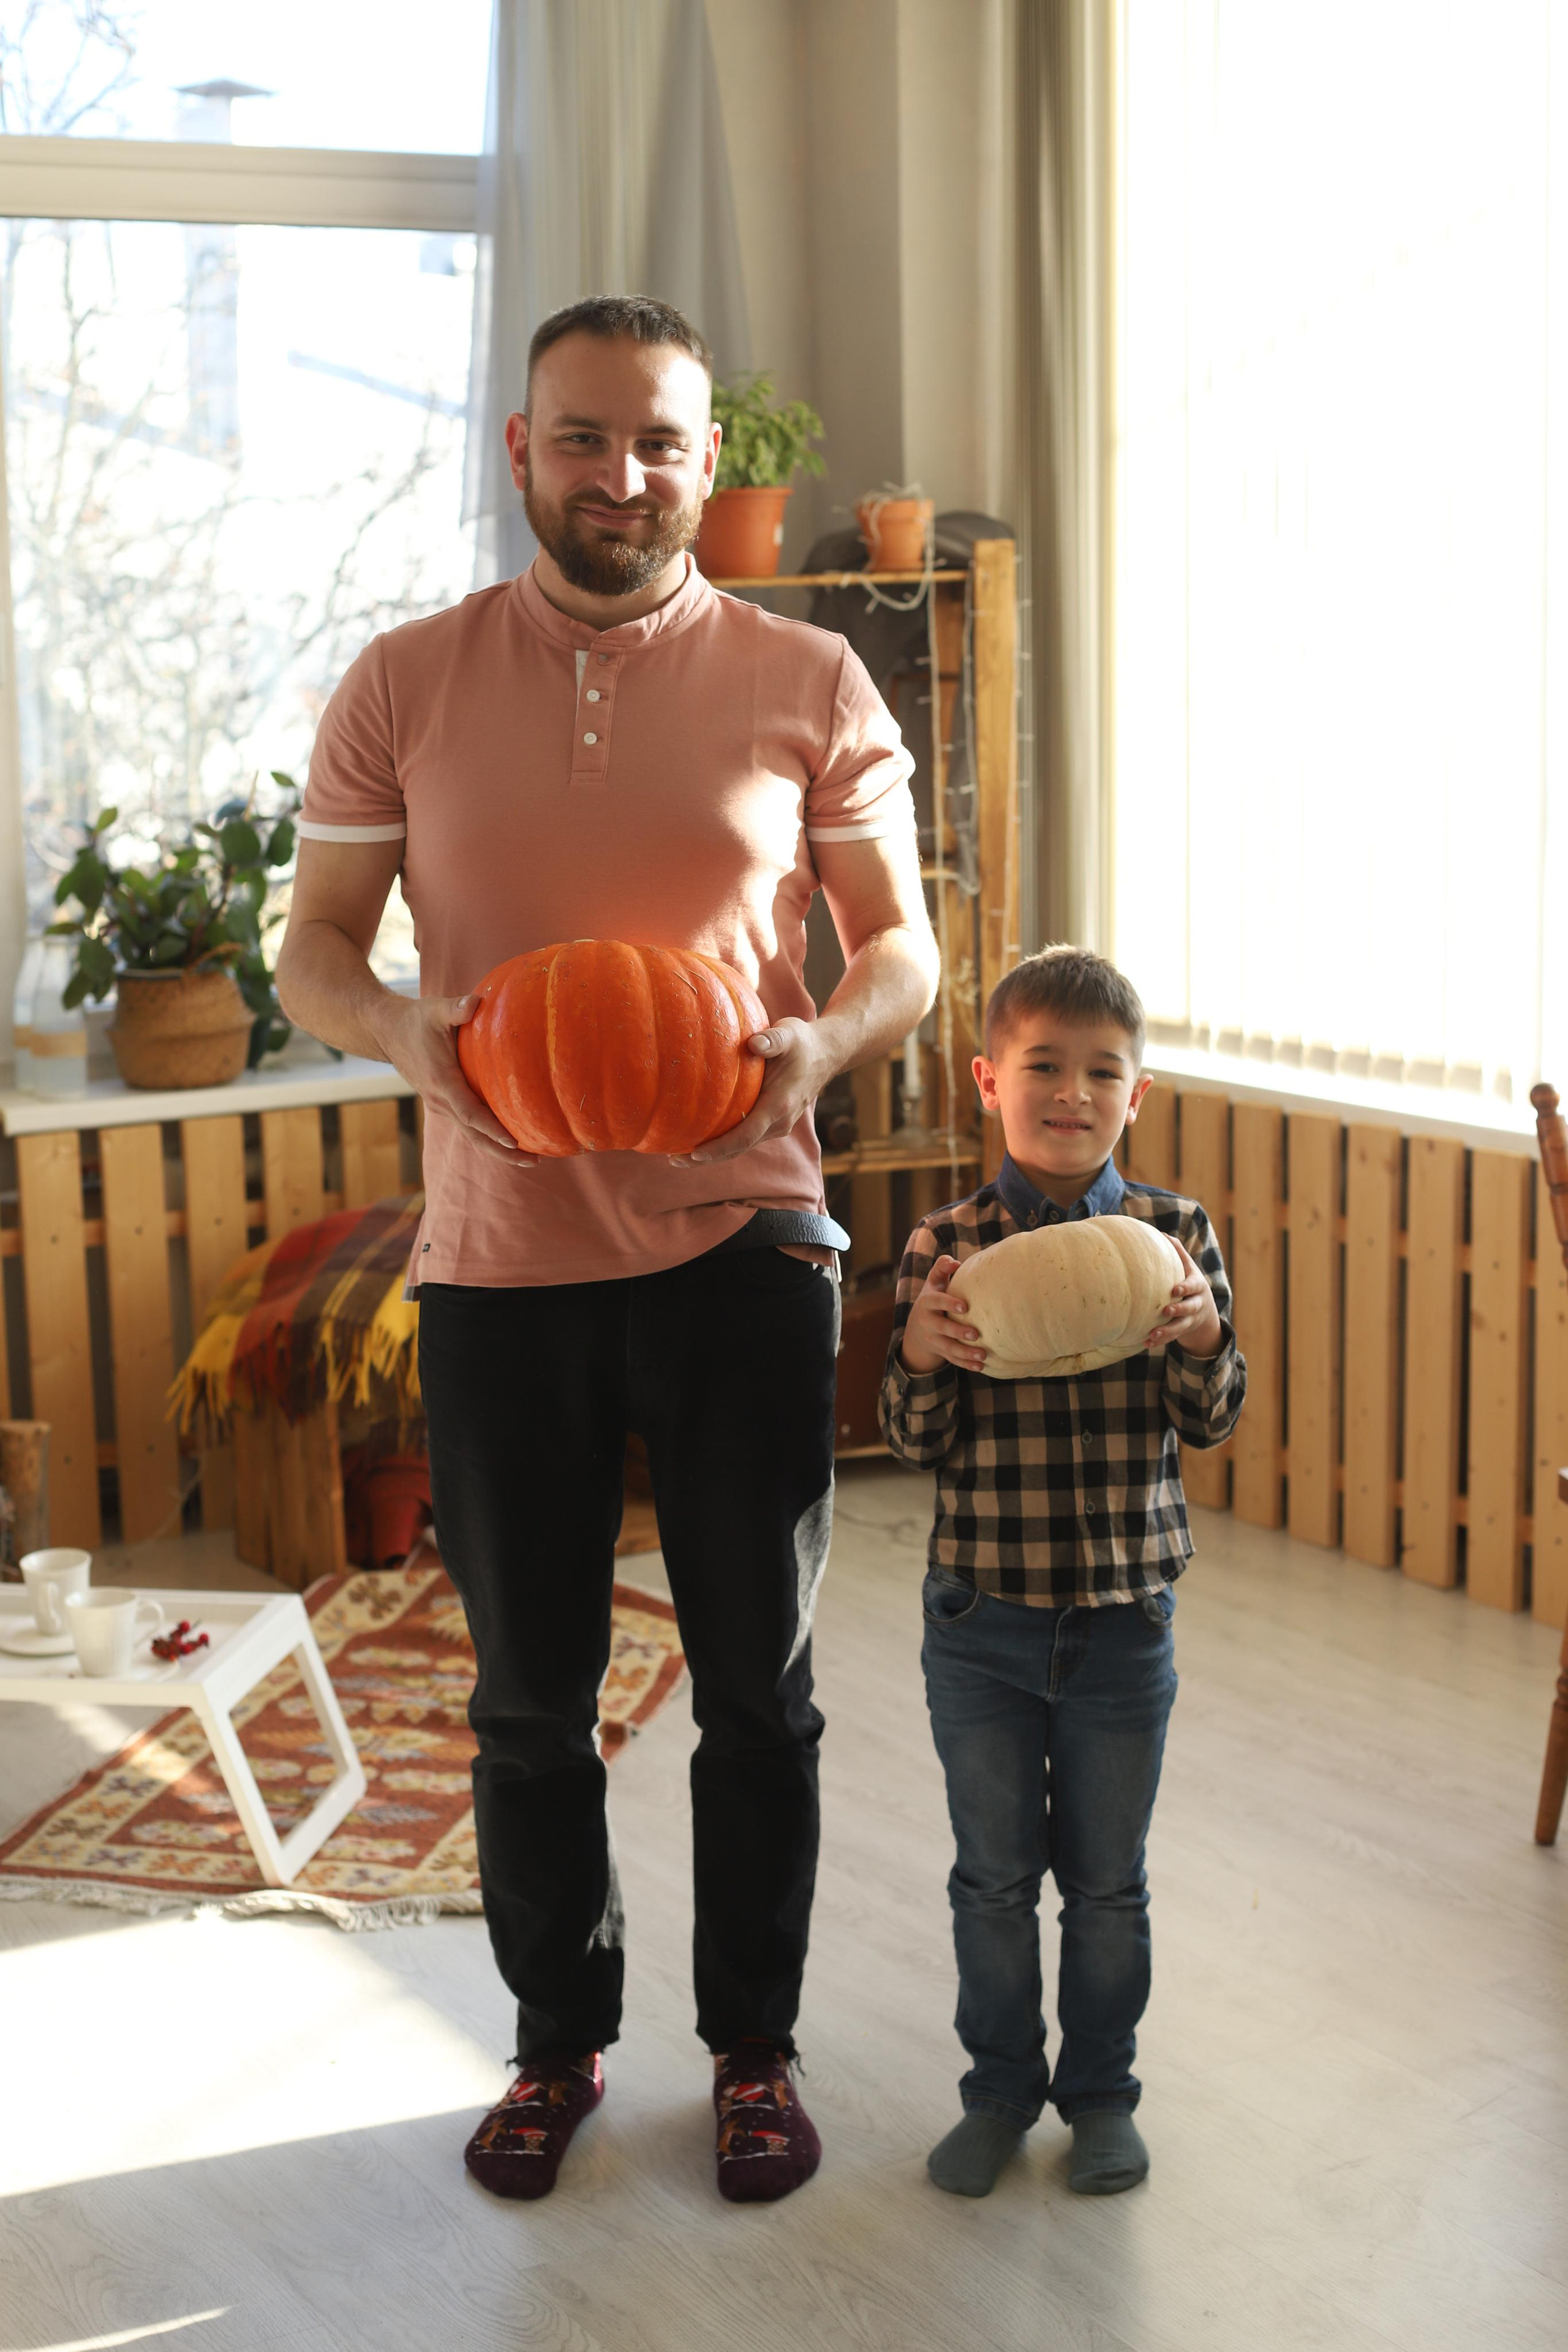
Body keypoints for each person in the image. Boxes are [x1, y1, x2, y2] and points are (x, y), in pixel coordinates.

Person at [276, 294, 938, 2205]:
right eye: (585, 438)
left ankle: (753, 2053)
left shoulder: (811, 675)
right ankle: (556, 2044)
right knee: (526, 1698)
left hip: (746, 1234)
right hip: (500, 1256)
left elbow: (902, 943)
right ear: (520, 451)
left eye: (660, 442)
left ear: (704, 461)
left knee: (761, 1686)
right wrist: (415, 1036)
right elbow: (313, 946)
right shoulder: (402, 681)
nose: (624, 475)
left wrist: (819, 1039)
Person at [879, 946, 1245, 2199]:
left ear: (1133, 1096)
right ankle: (996, 2092)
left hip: (1122, 1620)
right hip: (979, 1617)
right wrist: (921, 1359)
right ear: (989, 1080)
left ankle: (1099, 2096)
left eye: (1101, 1073)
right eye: (1044, 1066)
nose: (1071, 1092)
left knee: (1104, 1883)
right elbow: (909, 1440)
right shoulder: (945, 1245)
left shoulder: (1172, 1235)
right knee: (991, 1878)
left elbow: (1211, 1417)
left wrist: (1202, 1339)